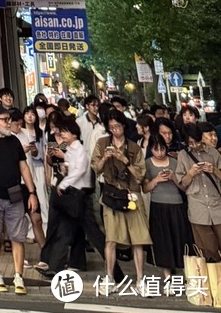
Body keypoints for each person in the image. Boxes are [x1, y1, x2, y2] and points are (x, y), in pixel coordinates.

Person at [0, 103, 41, 295]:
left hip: (15, 196)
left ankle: (18, 276)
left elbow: (24, 168)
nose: (8, 123)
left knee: (17, 237)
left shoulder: (14, 142)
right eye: (4, 119)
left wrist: (32, 192)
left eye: (8, 119)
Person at [37, 119, 111, 277]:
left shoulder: (80, 149)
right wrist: (65, 170)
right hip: (70, 196)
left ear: (74, 134)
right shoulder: (69, 149)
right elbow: (71, 168)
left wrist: (63, 184)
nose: (61, 134)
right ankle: (55, 267)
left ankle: (114, 270)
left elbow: (80, 170)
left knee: (94, 235)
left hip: (80, 196)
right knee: (65, 231)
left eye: (65, 131)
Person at [92, 110, 150, 284]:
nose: (115, 130)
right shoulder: (102, 143)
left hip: (132, 194)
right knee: (111, 238)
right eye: (111, 127)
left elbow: (139, 176)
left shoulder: (134, 148)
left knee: (138, 239)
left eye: (117, 126)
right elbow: (95, 168)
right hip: (112, 194)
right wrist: (105, 158)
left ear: (124, 126)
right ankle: (109, 276)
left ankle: (140, 278)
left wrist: (125, 160)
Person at [144, 131, 193, 278]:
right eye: (156, 149)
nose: (159, 153)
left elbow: (184, 187)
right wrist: (156, 180)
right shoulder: (147, 164)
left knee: (180, 238)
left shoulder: (174, 162)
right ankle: (167, 276)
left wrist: (174, 178)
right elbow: (145, 188)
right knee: (162, 241)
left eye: (162, 149)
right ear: (151, 149)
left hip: (176, 204)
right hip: (158, 205)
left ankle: (185, 272)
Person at [176, 123, 221, 264]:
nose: (194, 145)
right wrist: (191, 173)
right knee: (207, 249)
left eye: (196, 141)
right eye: (190, 143)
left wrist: (213, 170)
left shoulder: (213, 153)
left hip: (217, 205)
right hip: (198, 207)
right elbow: (182, 184)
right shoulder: (183, 156)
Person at [20, 105, 50, 243]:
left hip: (38, 167)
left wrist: (46, 171)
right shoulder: (20, 132)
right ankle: (31, 231)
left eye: (33, 113)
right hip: (24, 168)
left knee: (42, 199)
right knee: (28, 201)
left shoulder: (40, 133)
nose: (30, 116)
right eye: (27, 113)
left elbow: (43, 153)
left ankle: (44, 229)